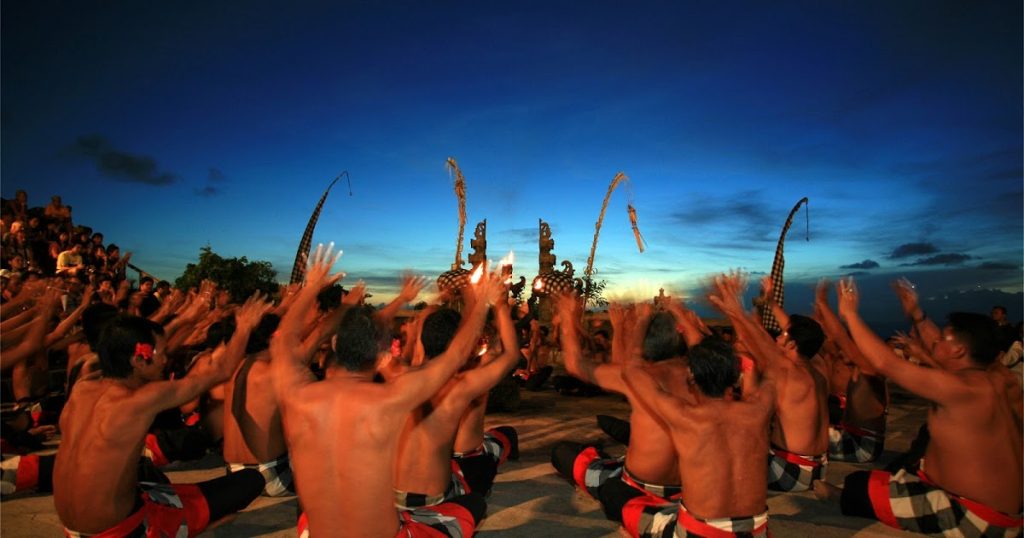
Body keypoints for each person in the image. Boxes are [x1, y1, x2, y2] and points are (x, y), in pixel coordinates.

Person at [272, 244, 500, 537]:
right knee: (471, 505)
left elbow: (283, 341)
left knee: (307, 515)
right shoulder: (391, 398)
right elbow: (455, 356)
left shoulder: (295, 394)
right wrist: (481, 302)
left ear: (335, 345)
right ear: (382, 358)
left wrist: (311, 287)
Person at [816, 277, 1023, 536]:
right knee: (888, 478)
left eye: (944, 339)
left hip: (974, 519)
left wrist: (850, 314)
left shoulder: (963, 388)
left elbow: (886, 363)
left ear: (959, 350)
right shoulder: (994, 379)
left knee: (860, 486)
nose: (936, 341)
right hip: (997, 514)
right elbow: (935, 340)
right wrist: (917, 314)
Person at [52, 294, 272, 536]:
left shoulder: (83, 387)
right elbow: (222, 369)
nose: (166, 360)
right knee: (250, 481)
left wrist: (185, 317)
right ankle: (184, 527)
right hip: (119, 531)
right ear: (138, 360)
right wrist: (244, 326)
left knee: (150, 476)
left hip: (71, 528)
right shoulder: (140, 399)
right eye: (161, 354)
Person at [614, 277, 777, 538]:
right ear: (736, 375)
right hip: (756, 532)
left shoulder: (684, 416)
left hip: (700, 534)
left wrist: (642, 320)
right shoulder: (758, 410)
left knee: (624, 503)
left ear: (692, 378)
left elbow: (631, 368)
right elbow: (774, 361)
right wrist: (736, 311)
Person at [550, 296, 692, 522]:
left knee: (562, 452)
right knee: (611, 424)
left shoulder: (639, 377)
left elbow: (576, 365)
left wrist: (567, 317)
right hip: (692, 486)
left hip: (641, 486)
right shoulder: (704, 374)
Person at [393, 285, 520, 510]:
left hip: (391, 496)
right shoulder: (459, 386)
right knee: (477, 504)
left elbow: (421, 351)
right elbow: (510, 355)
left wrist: (417, 329)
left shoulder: (402, 375)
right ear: (462, 346)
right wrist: (500, 305)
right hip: (432, 502)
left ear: (422, 341)